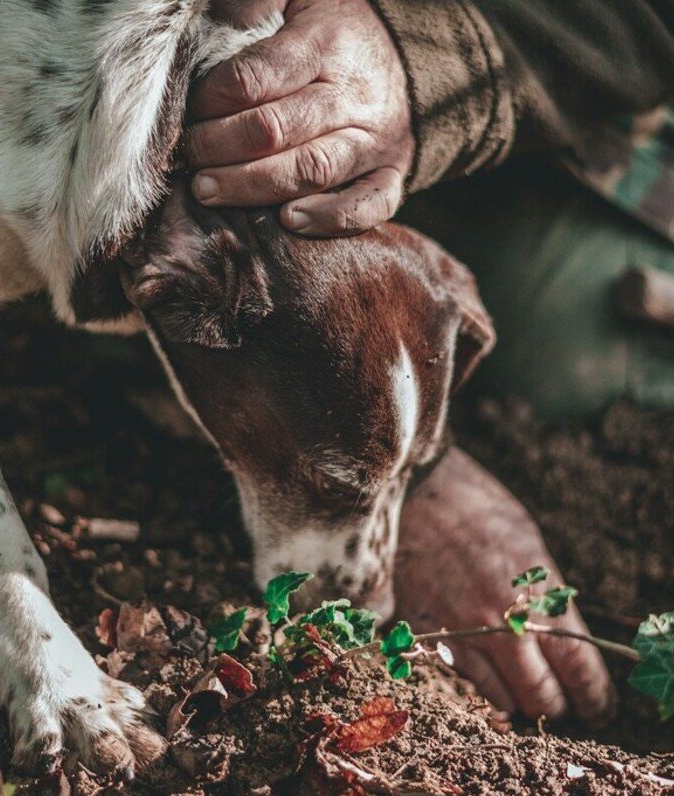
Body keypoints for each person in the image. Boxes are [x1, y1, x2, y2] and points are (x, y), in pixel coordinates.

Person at [186, 0, 674, 723]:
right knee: (561, 358)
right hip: (269, 102)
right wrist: (399, 471)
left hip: (557, 80)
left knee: (613, 380)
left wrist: (424, 61)